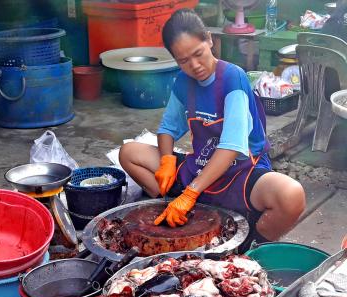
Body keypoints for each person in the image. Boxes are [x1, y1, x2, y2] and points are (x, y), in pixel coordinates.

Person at [119, 8, 305, 248]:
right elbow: (167, 128)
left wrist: (190, 193)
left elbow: (230, 147)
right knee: (130, 152)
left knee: (290, 195)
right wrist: (166, 160)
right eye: (183, 61)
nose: (194, 66)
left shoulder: (232, 78)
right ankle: (177, 212)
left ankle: (247, 248)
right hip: (200, 166)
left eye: (198, 54)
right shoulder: (183, 82)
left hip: (240, 172)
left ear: (209, 39)